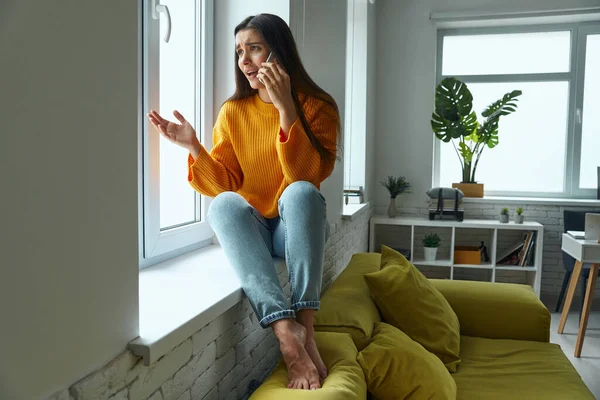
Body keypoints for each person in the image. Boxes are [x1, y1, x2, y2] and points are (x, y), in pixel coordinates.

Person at [147, 13, 340, 390]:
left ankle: (307, 330)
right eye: (239, 52)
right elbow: (226, 184)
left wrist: (286, 109)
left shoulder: (317, 106)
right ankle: (286, 334)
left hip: (293, 230)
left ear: (278, 53)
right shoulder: (233, 112)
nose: (245, 61)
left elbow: (307, 176)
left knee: (300, 192)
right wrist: (193, 147)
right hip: (255, 228)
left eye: (254, 49)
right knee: (221, 206)